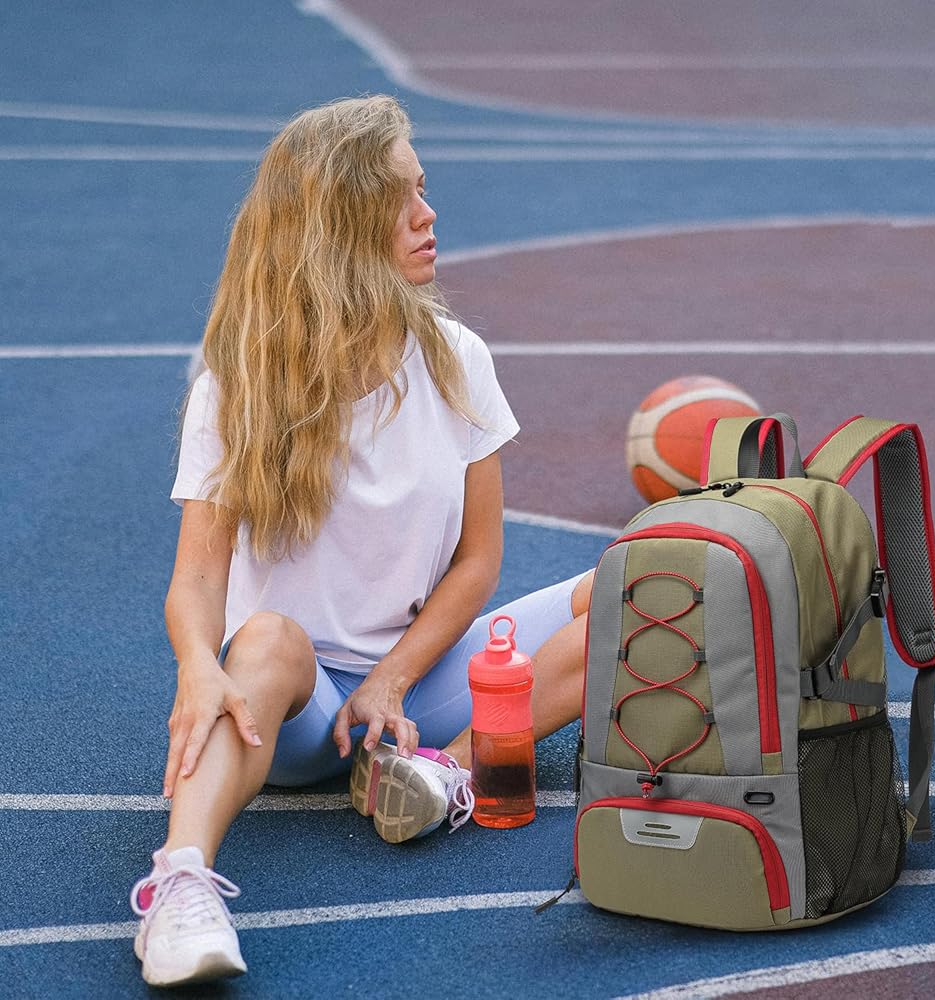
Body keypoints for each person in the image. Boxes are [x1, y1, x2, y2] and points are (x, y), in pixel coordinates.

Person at [129, 95, 594, 988]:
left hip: (416, 688)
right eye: (401, 197)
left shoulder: (456, 357)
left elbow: (479, 561)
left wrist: (393, 678)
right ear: (340, 228)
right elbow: (197, 581)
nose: (429, 214)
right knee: (267, 639)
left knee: (630, 591)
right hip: (293, 709)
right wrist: (197, 667)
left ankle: (441, 778)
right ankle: (178, 886)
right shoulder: (241, 384)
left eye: (424, 187)